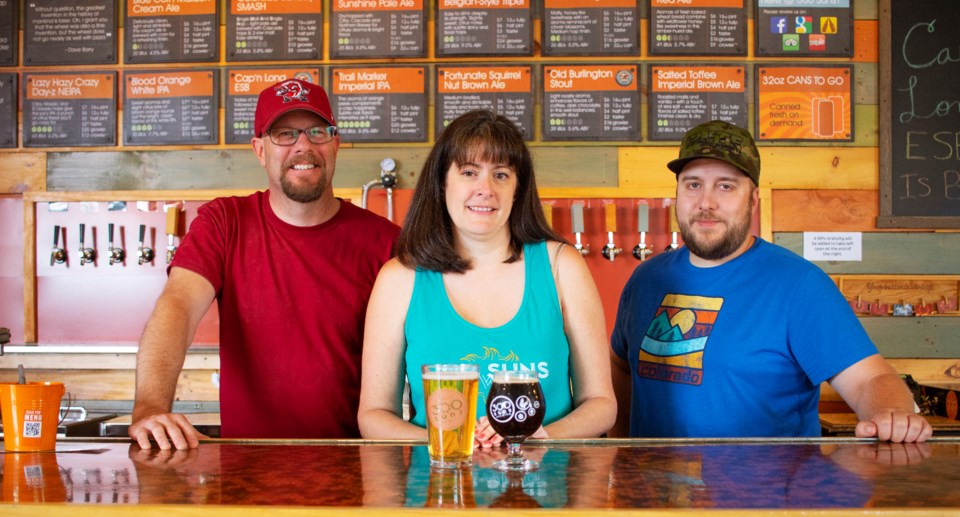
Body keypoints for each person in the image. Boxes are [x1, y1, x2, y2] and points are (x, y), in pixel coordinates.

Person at [610, 120, 932, 443]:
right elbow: (620, 364)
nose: (706, 203)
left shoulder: (800, 286)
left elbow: (869, 379)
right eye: (693, 185)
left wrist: (891, 414)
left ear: (753, 200)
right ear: (677, 193)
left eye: (726, 186)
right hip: (653, 493)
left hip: (766, 493)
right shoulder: (646, 279)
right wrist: (622, 457)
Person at [130, 78, 400, 450]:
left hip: (354, 472)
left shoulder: (386, 242)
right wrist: (150, 406)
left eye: (317, 132)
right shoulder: (223, 222)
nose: (303, 146)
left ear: (335, 144)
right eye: (284, 133)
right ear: (259, 149)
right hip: (248, 473)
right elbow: (178, 306)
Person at [358, 109, 615, 444]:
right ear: (442, 183)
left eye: (501, 175)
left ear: (518, 189)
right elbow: (374, 415)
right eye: (468, 172)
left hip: (549, 487)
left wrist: (539, 437)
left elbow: (601, 403)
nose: (485, 189)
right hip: (441, 488)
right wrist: (452, 440)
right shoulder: (399, 278)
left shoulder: (561, 266)